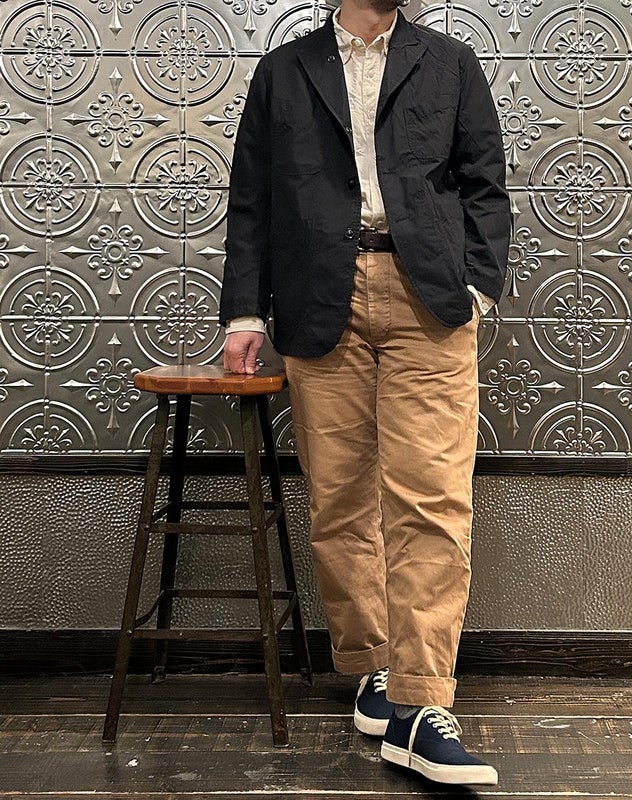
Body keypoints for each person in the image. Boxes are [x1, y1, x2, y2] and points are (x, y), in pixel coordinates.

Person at [220, 0, 510, 785]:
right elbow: (252, 197)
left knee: (432, 497)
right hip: (319, 296)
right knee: (340, 501)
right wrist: (244, 311)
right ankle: (374, 668)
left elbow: (485, 185)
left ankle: (420, 705)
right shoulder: (284, 71)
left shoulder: (450, 63)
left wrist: (478, 289)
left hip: (428, 301)